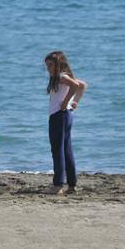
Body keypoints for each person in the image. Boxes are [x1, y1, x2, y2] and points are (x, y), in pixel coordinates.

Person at [43, 50, 87, 195]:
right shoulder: (60, 77)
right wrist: (75, 102)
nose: (48, 68)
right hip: (65, 116)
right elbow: (82, 85)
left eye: (50, 65)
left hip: (59, 116)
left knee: (57, 151)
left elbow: (76, 85)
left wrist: (68, 102)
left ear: (58, 64)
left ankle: (58, 185)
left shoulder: (62, 77)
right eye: (47, 65)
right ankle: (72, 185)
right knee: (66, 150)